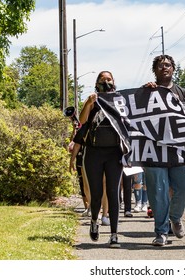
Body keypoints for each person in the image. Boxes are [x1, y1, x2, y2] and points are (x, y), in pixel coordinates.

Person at [144, 54, 185, 246]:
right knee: (158, 192)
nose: (164, 68)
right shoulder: (146, 92)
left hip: (179, 150)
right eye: (160, 65)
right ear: (155, 70)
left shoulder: (184, 94)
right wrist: (144, 93)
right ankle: (161, 232)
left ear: (173, 69)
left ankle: (175, 217)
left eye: (168, 65)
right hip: (153, 150)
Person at [72, 70, 123, 248]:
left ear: (114, 81)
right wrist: (89, 103)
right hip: (94, 153)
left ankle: (114, 234)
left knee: (113, 193)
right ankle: (94, 220)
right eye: (103, 80)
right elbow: (82, 122)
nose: (106, 82)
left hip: (114, 153)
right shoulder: (92, 101)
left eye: (109, 79)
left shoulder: (120, 101)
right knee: (96, 194)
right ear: (97, 83)